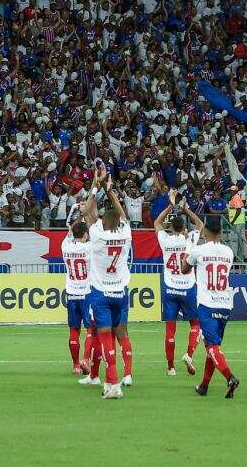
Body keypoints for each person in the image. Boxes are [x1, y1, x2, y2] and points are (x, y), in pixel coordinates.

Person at [85, 167, 133, 399]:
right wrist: (110, 190)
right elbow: (122, 215)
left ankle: (113, 382)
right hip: (120, 293)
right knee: (117, 333)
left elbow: (86, 210)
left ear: (104, 220)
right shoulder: (126, 232)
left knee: (104, 335)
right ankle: (115, 379)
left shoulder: (97, 234)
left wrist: (96, 184)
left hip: (101, 293)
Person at [187, 216, 239, 398]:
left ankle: (230, 377)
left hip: (207, 305)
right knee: (214, 347)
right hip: (225, 304)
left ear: (205, 232)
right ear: (222, 233)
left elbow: (185, 268)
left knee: (211, 346)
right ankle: (204, 386)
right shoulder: (228, 252)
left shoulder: (198, 250)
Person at [155, 188, 203, 377]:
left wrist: (171, 205)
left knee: (170, 329)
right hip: (188, 287)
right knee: (195, 325)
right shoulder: (190, 239)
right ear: (184, 228)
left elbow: (157, 222)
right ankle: (189, 354)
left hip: (170, 288)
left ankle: (170, 367)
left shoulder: (165, 240)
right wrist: (185, 209)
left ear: (171, 228)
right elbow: (199, 224)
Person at [63, 217, 93, 380]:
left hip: (72, 292)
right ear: (86, 234)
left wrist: (76, 220)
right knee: (90, 329)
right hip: (86, 292)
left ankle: (75, 365)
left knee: (74, 329)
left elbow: (70, 233)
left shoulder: (65, 246)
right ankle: (86, 359)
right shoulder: (89, 247)